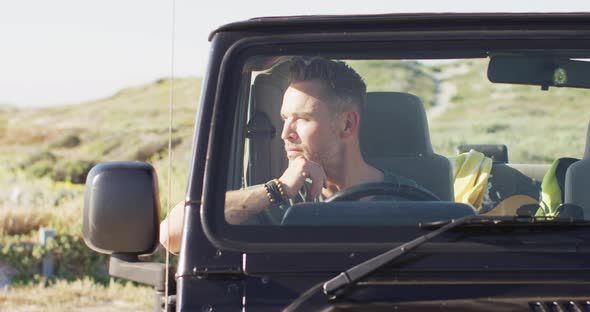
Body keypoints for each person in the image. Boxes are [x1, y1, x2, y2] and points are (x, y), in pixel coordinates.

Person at [159, 57, 418, 252]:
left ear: (347, 125)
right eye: (284, 119)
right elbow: (170, 235)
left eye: (302, 119)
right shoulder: (275, 199)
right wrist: (276, 190)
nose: (285, 134)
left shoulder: (410, 200)